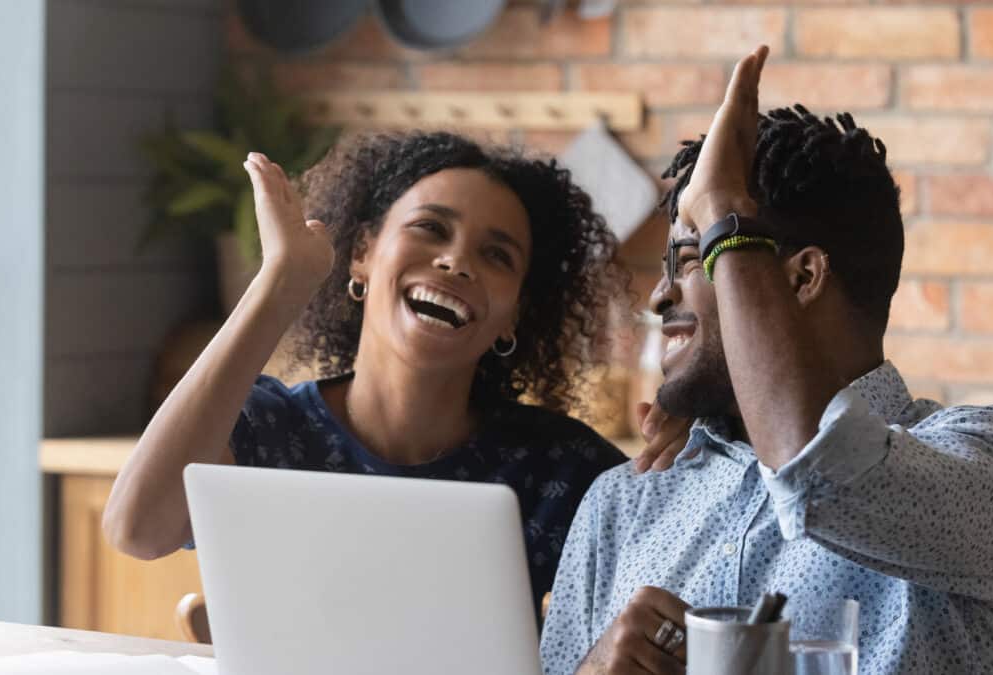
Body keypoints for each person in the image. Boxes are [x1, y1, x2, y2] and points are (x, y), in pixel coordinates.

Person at [540, 46, 993, 674]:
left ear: (801, 278)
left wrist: (723, 216)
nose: (658, 296)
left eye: (690, 261)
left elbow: (817, 470)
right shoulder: (625, 502)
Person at [102, 131, 687, 614]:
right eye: (430, 228)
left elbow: (690, 593)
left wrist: (684, 477)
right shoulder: (265, 427)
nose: (456, 260)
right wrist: (281, 283)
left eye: (496, 255)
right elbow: (138, 529)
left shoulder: (560, 468)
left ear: (516, 315)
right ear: (361, 254)